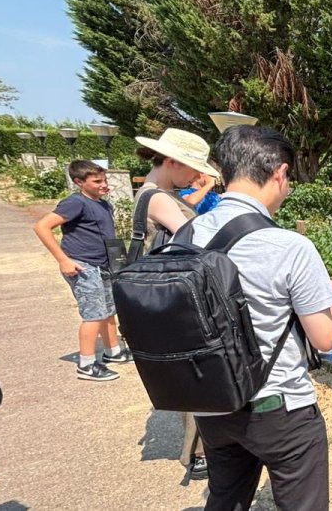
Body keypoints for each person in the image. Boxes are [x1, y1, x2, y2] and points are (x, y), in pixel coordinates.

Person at [189, 125, 332, 510]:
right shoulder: (288, 245)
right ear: (279, 172)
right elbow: (325, 339)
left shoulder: (186, 232)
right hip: (277, 408)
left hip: (212, 403)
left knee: (225, 499)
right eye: (288, 178)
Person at [132, 128, 220, 481]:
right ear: (170, 161)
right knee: (194, 373)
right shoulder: (159, 198)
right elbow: (196, 237)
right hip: (174, 299)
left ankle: (200, 447)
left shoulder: (156, 192)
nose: (195, 176)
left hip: (162, 297)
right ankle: (197, 451)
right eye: (190, 168)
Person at [32, 160, 129, 382]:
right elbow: (41, 226)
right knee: (93, 314)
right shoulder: (75, 203)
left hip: (103, 264)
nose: (104, 185)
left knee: (107, 310)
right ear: (79, 182)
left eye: (105, 180)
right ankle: (86, 364)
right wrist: (63, 260)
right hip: (83, 265)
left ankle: (112, 351)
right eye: (97, 181)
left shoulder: (102, 203)